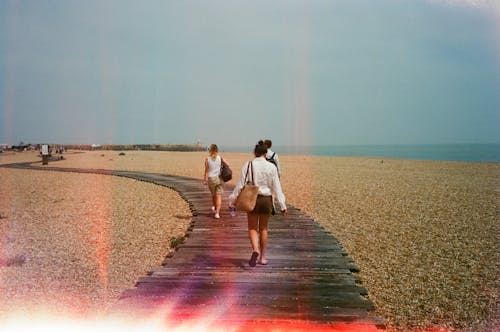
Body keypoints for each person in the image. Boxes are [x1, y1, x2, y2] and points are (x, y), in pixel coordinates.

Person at [229, 141, 287, 267]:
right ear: (265, 153)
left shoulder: (248, 165)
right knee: (264, 229)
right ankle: (263, 258)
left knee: (252, 228)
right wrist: (282, 205)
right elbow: (277, 187)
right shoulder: (272, 167)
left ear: (254, 153)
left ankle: (255, 249)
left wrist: (232, 201)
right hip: (266, 200)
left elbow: (240, 185)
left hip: (252, 199)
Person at [203, 144, 230, 219]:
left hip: (211, 179)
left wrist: (204, 180)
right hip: (219, 179)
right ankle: (217, 213)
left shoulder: (207, 159)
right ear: (217, 150)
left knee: (213, 195)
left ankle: (214, 207)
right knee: (219, 196)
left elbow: (206, 171)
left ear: (210, 150)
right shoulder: (220, 158)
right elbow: (228, 164)